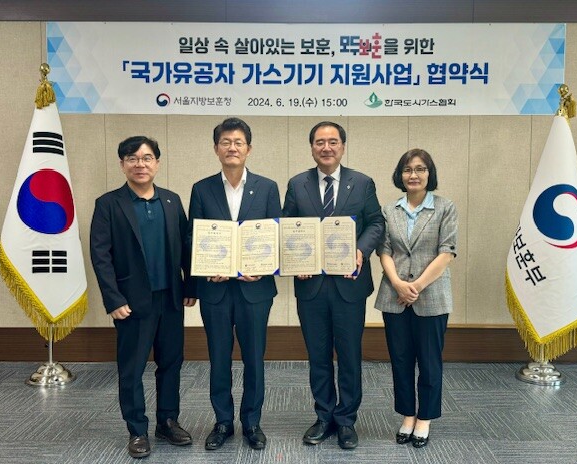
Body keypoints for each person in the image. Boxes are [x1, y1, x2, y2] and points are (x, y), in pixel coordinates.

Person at [89, 136, 197, 459]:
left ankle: (168, 421)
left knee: (171, 363)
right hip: (131, 303)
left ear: (157, 163)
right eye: (132, 159)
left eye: (147, 158)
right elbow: (100, 255)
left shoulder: (171, 200)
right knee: (132, 368)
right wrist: (113, 299)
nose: (140, 164)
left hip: (171, 299)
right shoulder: (109, 204)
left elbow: (186, 247)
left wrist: (190, 286)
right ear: (122, 165)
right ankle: (137, 430)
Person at [282, 121, 385, 450]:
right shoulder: (297, 184)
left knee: (350, 355)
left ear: (342, 146)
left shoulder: (362, 182)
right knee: (318, 355)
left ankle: (346, 419)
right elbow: (286, 228)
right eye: (319, 142)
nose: (326, 147)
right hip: (311, 286)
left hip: (349, 284)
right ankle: (324, 415)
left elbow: (376, 223)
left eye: (333, 142)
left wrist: (361, 250)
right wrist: (294, 259)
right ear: (312, 147)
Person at [189, 117, 281, 451]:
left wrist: (264, 268)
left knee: (254, 357)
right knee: (219, 357)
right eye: (225, 142)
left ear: (248, 149)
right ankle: (223, 421)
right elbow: (193, 236)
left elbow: (275, 233)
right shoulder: (202, 189)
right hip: (215, 289)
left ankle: (252, 422)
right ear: (216, 149)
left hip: (255, 289)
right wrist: (205, 269)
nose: (232, 147)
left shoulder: (267, 187)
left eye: (238, 142)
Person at [374, 148, 458, 448]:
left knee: (430, 361)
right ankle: (408, 415)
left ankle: (425, 418)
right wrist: (398, 284)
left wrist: (417, 286)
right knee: (400, 360)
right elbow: (383, 251)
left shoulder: (445, 208)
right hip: (394, 296)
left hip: (432, 295)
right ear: (400, 175)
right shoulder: (388, 210)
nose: (414, 175)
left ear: (429, 174)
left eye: (420, 169)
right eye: (408, 169)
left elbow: (447, 252)